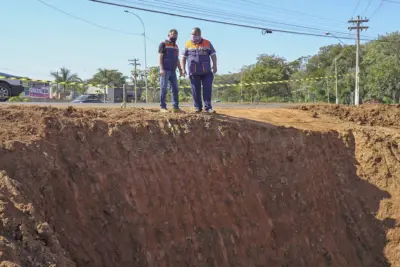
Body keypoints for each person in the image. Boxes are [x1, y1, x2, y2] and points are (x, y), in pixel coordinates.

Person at [181, 27, 217, 113]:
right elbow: (183, 57)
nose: (193, 36)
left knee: (207, 89)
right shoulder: (187, 44)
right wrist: (182, 69)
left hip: (206, 71)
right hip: (193, 71)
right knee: (195, 90)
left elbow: (213, 54)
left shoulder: (207, 43)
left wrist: (215, 65)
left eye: (195, 34)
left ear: (199, 35)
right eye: (192, 34)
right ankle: (197, 107)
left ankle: (208, 108)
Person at [158, 29, 184, 112]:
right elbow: (160, 57)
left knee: (175, 89)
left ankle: (175, 107)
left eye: (176, 35)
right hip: (165, 70)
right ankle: (163, 107)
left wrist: (180, 70)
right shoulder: (163, 44)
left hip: (173, 71)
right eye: (172, 34)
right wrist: (161, 69)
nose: (174, 36)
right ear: (168, 35)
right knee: (164, 88)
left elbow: (177, 59)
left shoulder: (176, 46)